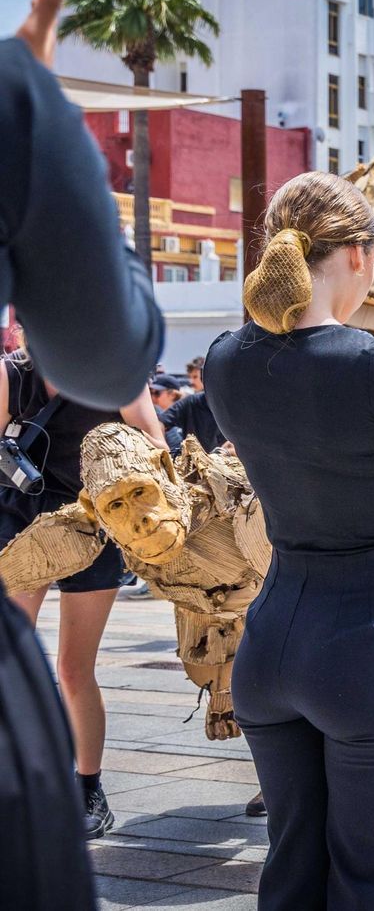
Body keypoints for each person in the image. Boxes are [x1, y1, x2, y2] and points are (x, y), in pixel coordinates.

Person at [205, 171, 374, 911]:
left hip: (269, 649)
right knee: (364, 884)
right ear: (359, 258)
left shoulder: (226, 359)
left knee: (291, 873)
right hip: (369, 646)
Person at [0, 0, 165, 911]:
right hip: (37, 517)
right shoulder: (11, 98)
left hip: (84, 522)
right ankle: (77, 793)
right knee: (42, 661)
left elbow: (133, 407)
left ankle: (89, 786)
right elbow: (110, 354)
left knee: (69, 664)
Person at [2, 351, 168, 839]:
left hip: (94, 524)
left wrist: (129, 463)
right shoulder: (14, 375)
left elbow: (155, 446)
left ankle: (87, 788)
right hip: (19, 520)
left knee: (75, 669)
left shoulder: (117, 374)